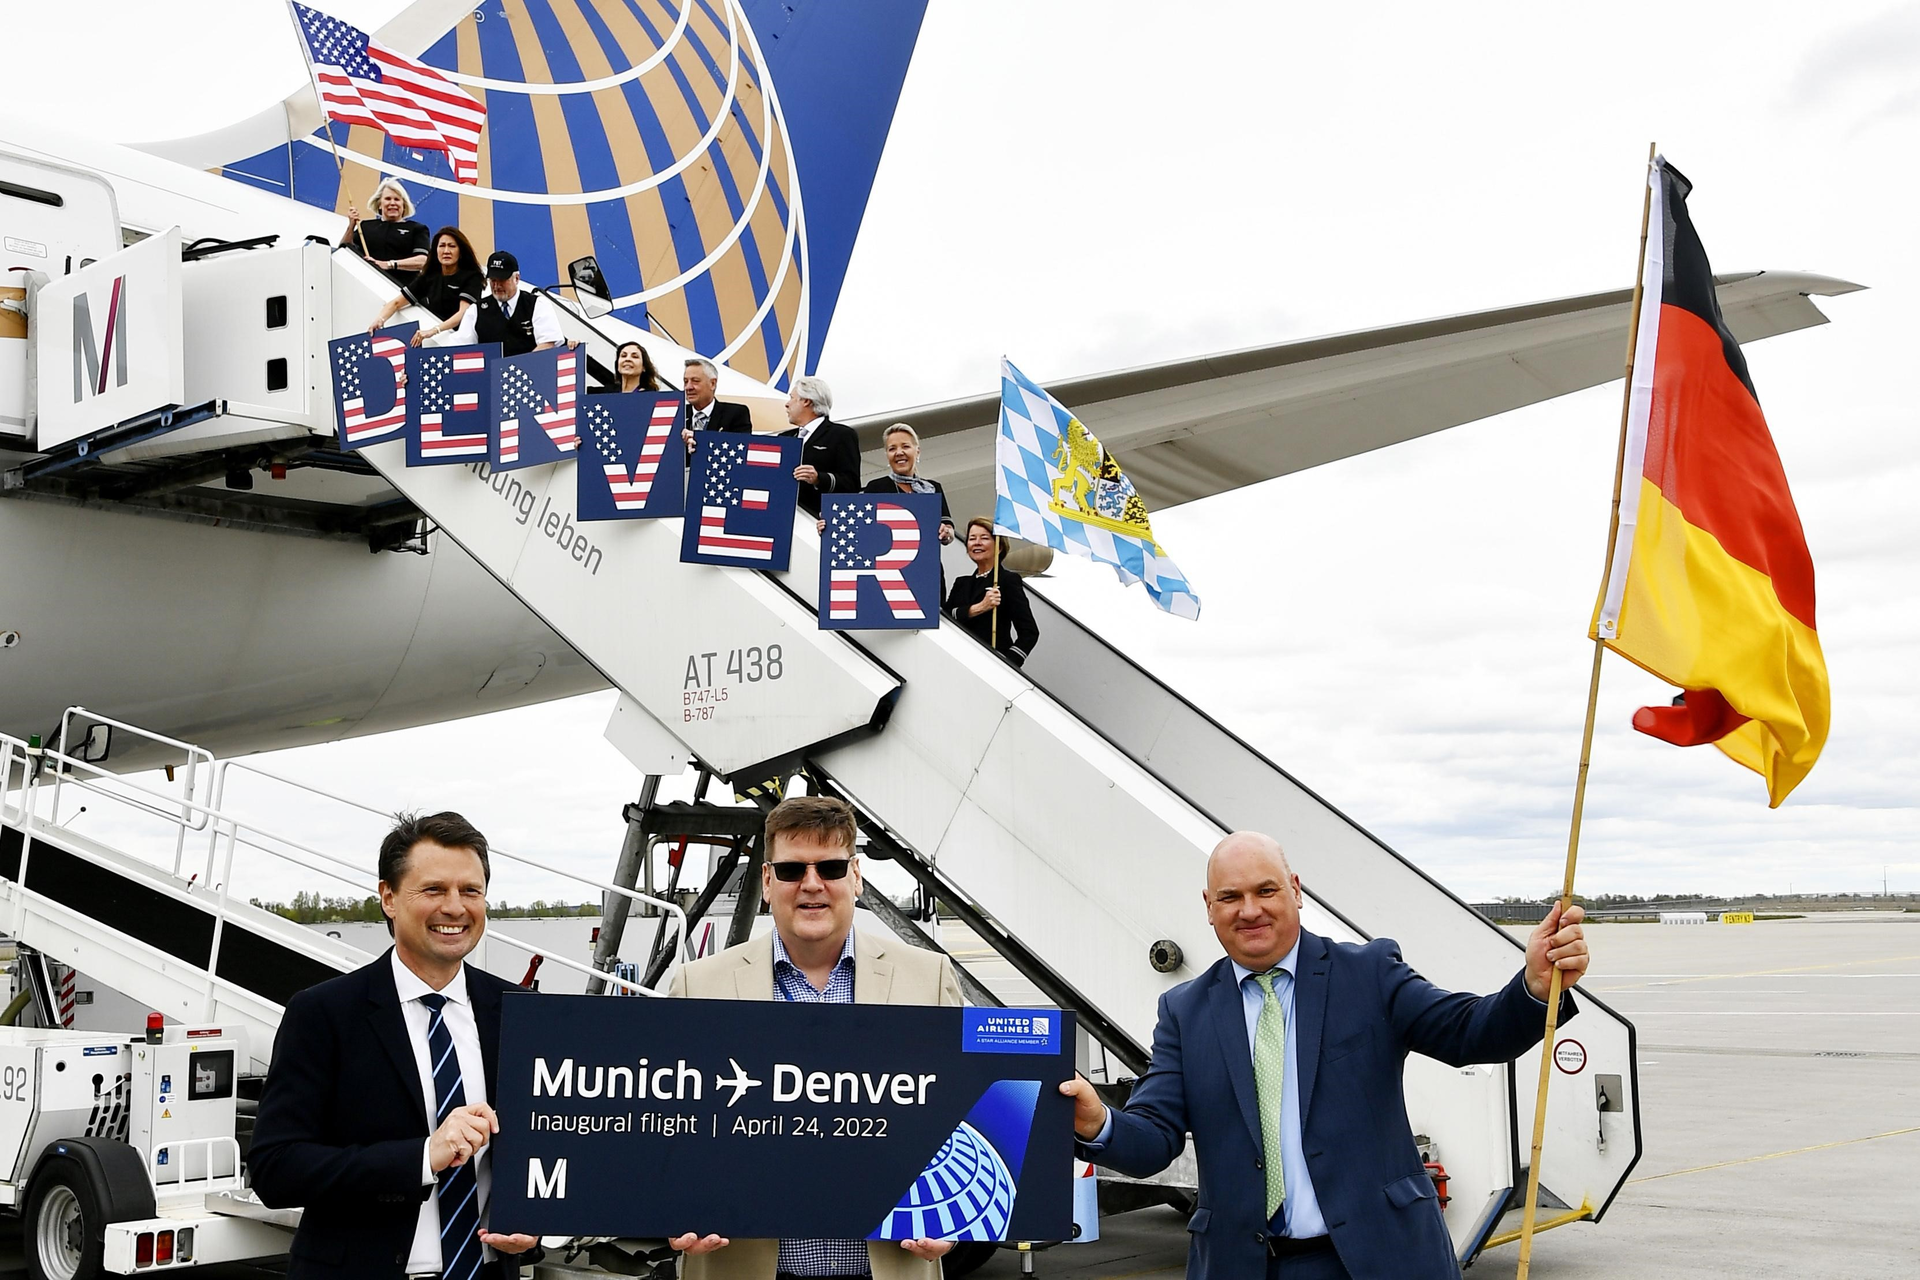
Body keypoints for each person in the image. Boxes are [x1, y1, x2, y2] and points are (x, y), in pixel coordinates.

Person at [1059, 832, 1590, 1280]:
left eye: (1266, 890)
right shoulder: (1183, 1009)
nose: (1250, 910)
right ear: (1208, 906)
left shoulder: (1369, 973)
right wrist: (1098, 1121)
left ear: (1295, 891)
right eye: (1230, 896)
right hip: (1245, 1264)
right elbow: (1155, 1137)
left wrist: (1534, 987)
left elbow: (1469, 1033)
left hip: (1380, 1258)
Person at [666, 796, 960, 1280]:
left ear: (857, 877)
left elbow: (959, 1117)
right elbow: (664, 1130)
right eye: (790, 870)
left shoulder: (927, 979)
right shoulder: (698, 986)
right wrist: (669, 1213)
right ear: (765, 882)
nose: (811, 884)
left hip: (888, 1267)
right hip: (740, 1266)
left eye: (830, 867)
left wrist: (958, 1222)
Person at [250, 812, 541, 1279]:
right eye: (433, 890)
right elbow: (275, 1168)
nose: (455, 907)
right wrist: (423, 1157)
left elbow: (550, 1147)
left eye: (470, 891)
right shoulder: (323, 1014)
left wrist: (537, 1224)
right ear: (387, 897)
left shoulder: (522, 1013)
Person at [364, 226, 484, 345]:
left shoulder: (472, 277)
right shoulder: (430, 276)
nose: (446, 251)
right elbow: (397, 303)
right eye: (442, 246)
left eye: (452, 246)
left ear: (461, 251)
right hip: (436, 339)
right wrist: (379, 320)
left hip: (460, 342)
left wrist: (434, 330)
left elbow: (463, 312)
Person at [945, 518, 1038, 666]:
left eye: (984, 538)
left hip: (992, 663)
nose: (977, 543)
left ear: (999, 547)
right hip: (960, 661)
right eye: (972, 538)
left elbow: (1029, 632)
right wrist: (980, 607)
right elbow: (947, 617)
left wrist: (1007, 663)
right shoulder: (961, 583)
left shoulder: (1007, 580)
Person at [449, 251, 565, 357]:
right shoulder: (476, 310)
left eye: (502, 280)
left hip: (530, 375)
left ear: (517, 278)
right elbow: (460, 348)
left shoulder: (537, 304)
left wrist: (521, 367)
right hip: (489, 376)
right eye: (493, 280)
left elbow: (548, 343)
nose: (497, 285)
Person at [861, 424, 954, 545]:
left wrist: (946, 533)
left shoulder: (932, 488)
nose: (899, 452)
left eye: (905, 446)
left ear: (917, 452)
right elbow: (863, 529)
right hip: (891, 562)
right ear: (887, 455)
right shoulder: (875, 488)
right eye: (892, 449)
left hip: (928, 562)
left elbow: (949, 528)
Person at [781, 375, 860, 513]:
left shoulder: (841, 435)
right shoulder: (784, 438)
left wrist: (819, 478)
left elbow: (852, 484)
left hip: (815, 521)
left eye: (792, 398)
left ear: (806, 401)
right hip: (783, 516)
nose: (787, 404)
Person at [345, 178, 432, 288]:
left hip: (403, 293)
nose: (392, 203)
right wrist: (351, 225)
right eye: (387, 199)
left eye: (397, 199)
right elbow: (344, 250)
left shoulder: (417, 229)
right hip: (369, 288)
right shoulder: (365, 227)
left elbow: (423, 261)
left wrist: (388, 264)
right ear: (380, 204)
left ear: (404, 205)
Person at [681, 356, 751, 453]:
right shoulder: (677, 414)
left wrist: (700, 440)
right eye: (685, 382)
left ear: (712, 384)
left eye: (695, 381)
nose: (688, 387)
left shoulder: (735, 414)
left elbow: (739, 452)